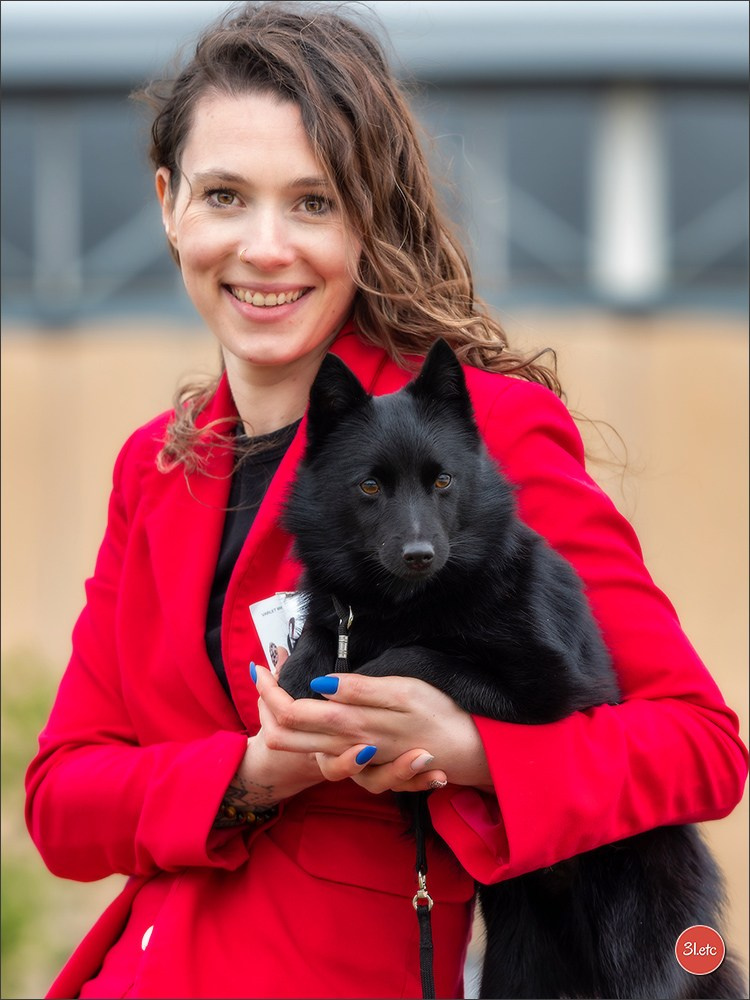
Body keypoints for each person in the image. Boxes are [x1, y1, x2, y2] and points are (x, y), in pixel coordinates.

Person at [25, 3, 747, 998]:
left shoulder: (485, 430)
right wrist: (252, 773)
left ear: (369, 213)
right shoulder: (153, 471)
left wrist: (470, 749)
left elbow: (697, 746)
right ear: (168, 203)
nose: (266, 247)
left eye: (314, 203)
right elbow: (63, 803)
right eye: (226, 195)